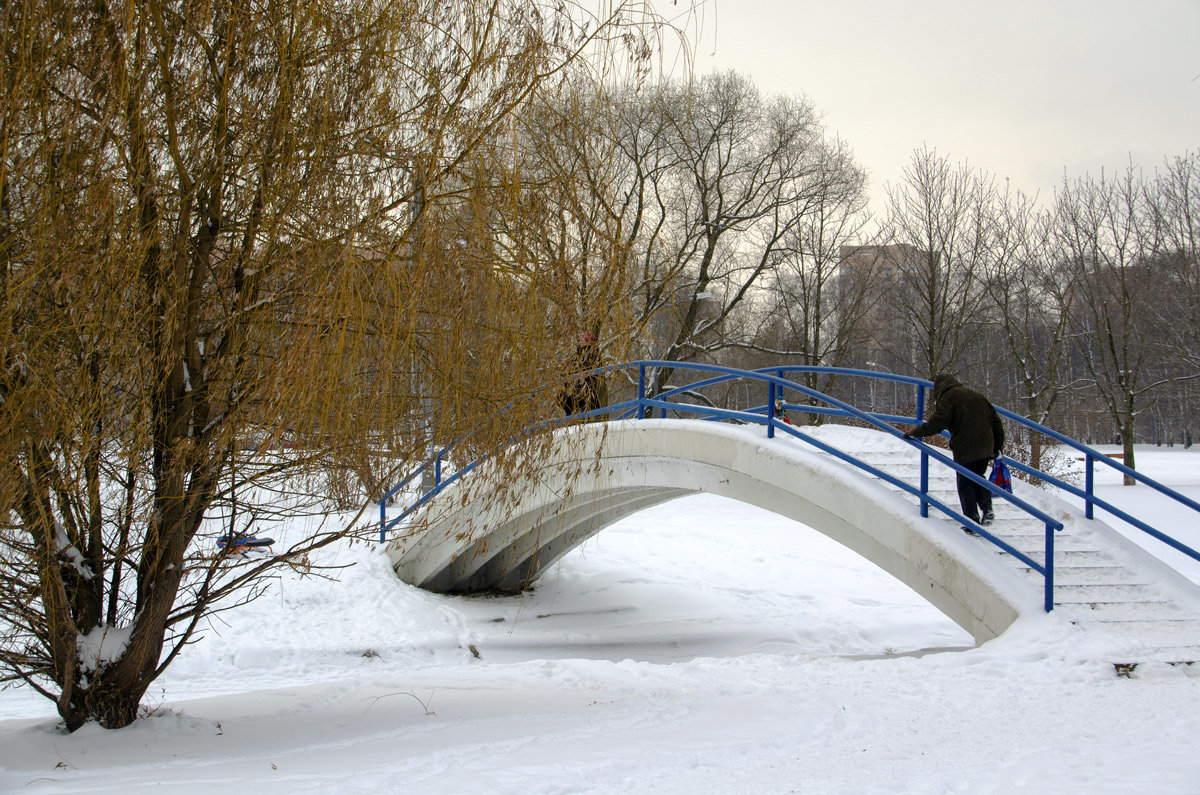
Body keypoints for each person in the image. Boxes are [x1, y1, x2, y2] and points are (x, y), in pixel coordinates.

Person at [902, 373, 1005, 529]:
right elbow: (996, 421)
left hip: (966, 446)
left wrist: (915, 432)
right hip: (986, 444)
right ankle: (987, 508)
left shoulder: (948, 398)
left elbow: (937, 422)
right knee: (978, 476)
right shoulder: (976, 395)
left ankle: (972, 520)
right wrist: (997, 446)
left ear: (938, 388)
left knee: (965, 483)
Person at [558, 332, 607, 418]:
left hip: (583, 388)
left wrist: (570, 370)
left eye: (582, 340)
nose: (580, 341)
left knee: (570, 402)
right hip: (581, 388)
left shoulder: (590, 353)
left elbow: (584, 368)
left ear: (588, 342)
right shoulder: (581, 353)